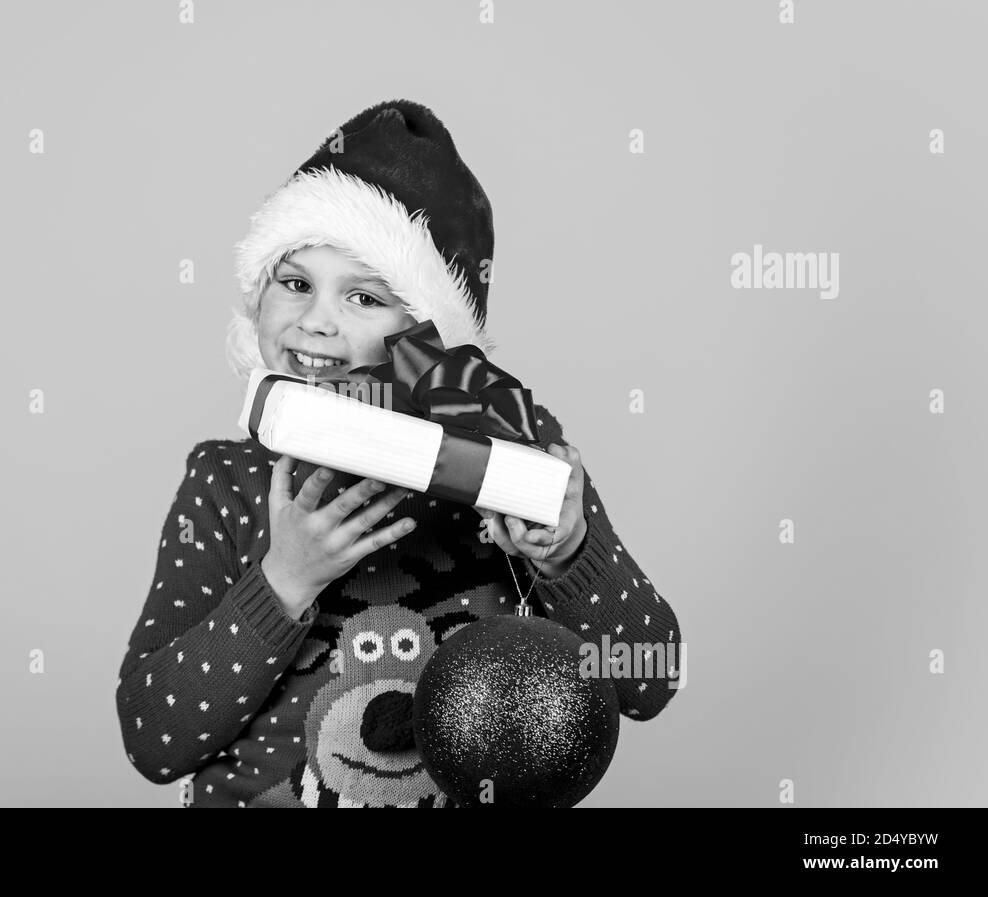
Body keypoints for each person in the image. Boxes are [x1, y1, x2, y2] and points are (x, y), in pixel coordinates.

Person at [117, 99, 682, 807]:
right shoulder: (226, 481)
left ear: (427, 335)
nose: (317, 321)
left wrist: (569, 553)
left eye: (364, 298)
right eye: (295, 284)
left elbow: (650, 675)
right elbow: (153, 737)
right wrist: (282, 581)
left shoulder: (509, 451)